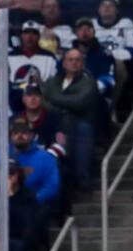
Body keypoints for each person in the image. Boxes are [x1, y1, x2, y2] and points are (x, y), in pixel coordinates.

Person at [41, 47, 100, 190]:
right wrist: (63, 106)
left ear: (83, 63)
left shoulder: (89, 83)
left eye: (78, 60)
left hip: (79, 124)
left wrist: (54, 99)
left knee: (82, 129)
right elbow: (42, 99)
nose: (74, 63)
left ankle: (82, 180)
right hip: (54, 122)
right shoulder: (53, 81)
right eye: (70, 60)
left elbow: (79, 103)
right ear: (64, 63)